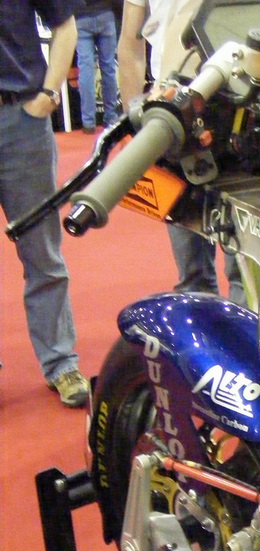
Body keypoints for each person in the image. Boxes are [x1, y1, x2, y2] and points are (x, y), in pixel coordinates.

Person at [117, 0, 245, 303]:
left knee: (244, 264)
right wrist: (134, 120)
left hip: (241, 107)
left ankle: (247, 329)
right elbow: (130, 43)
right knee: (192, 268)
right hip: (174, 111)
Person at [0, 2, 89, 408]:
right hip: (23, 119)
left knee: (42, 251)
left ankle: (60, 363)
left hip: (21, 120)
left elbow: (65, 25)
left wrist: (50, 94)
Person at [74, 0, 119, 134]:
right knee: (109, 69)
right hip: (106, 13)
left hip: (80, 17)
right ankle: (111, 117)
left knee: (85, 70)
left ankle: (88, 122)